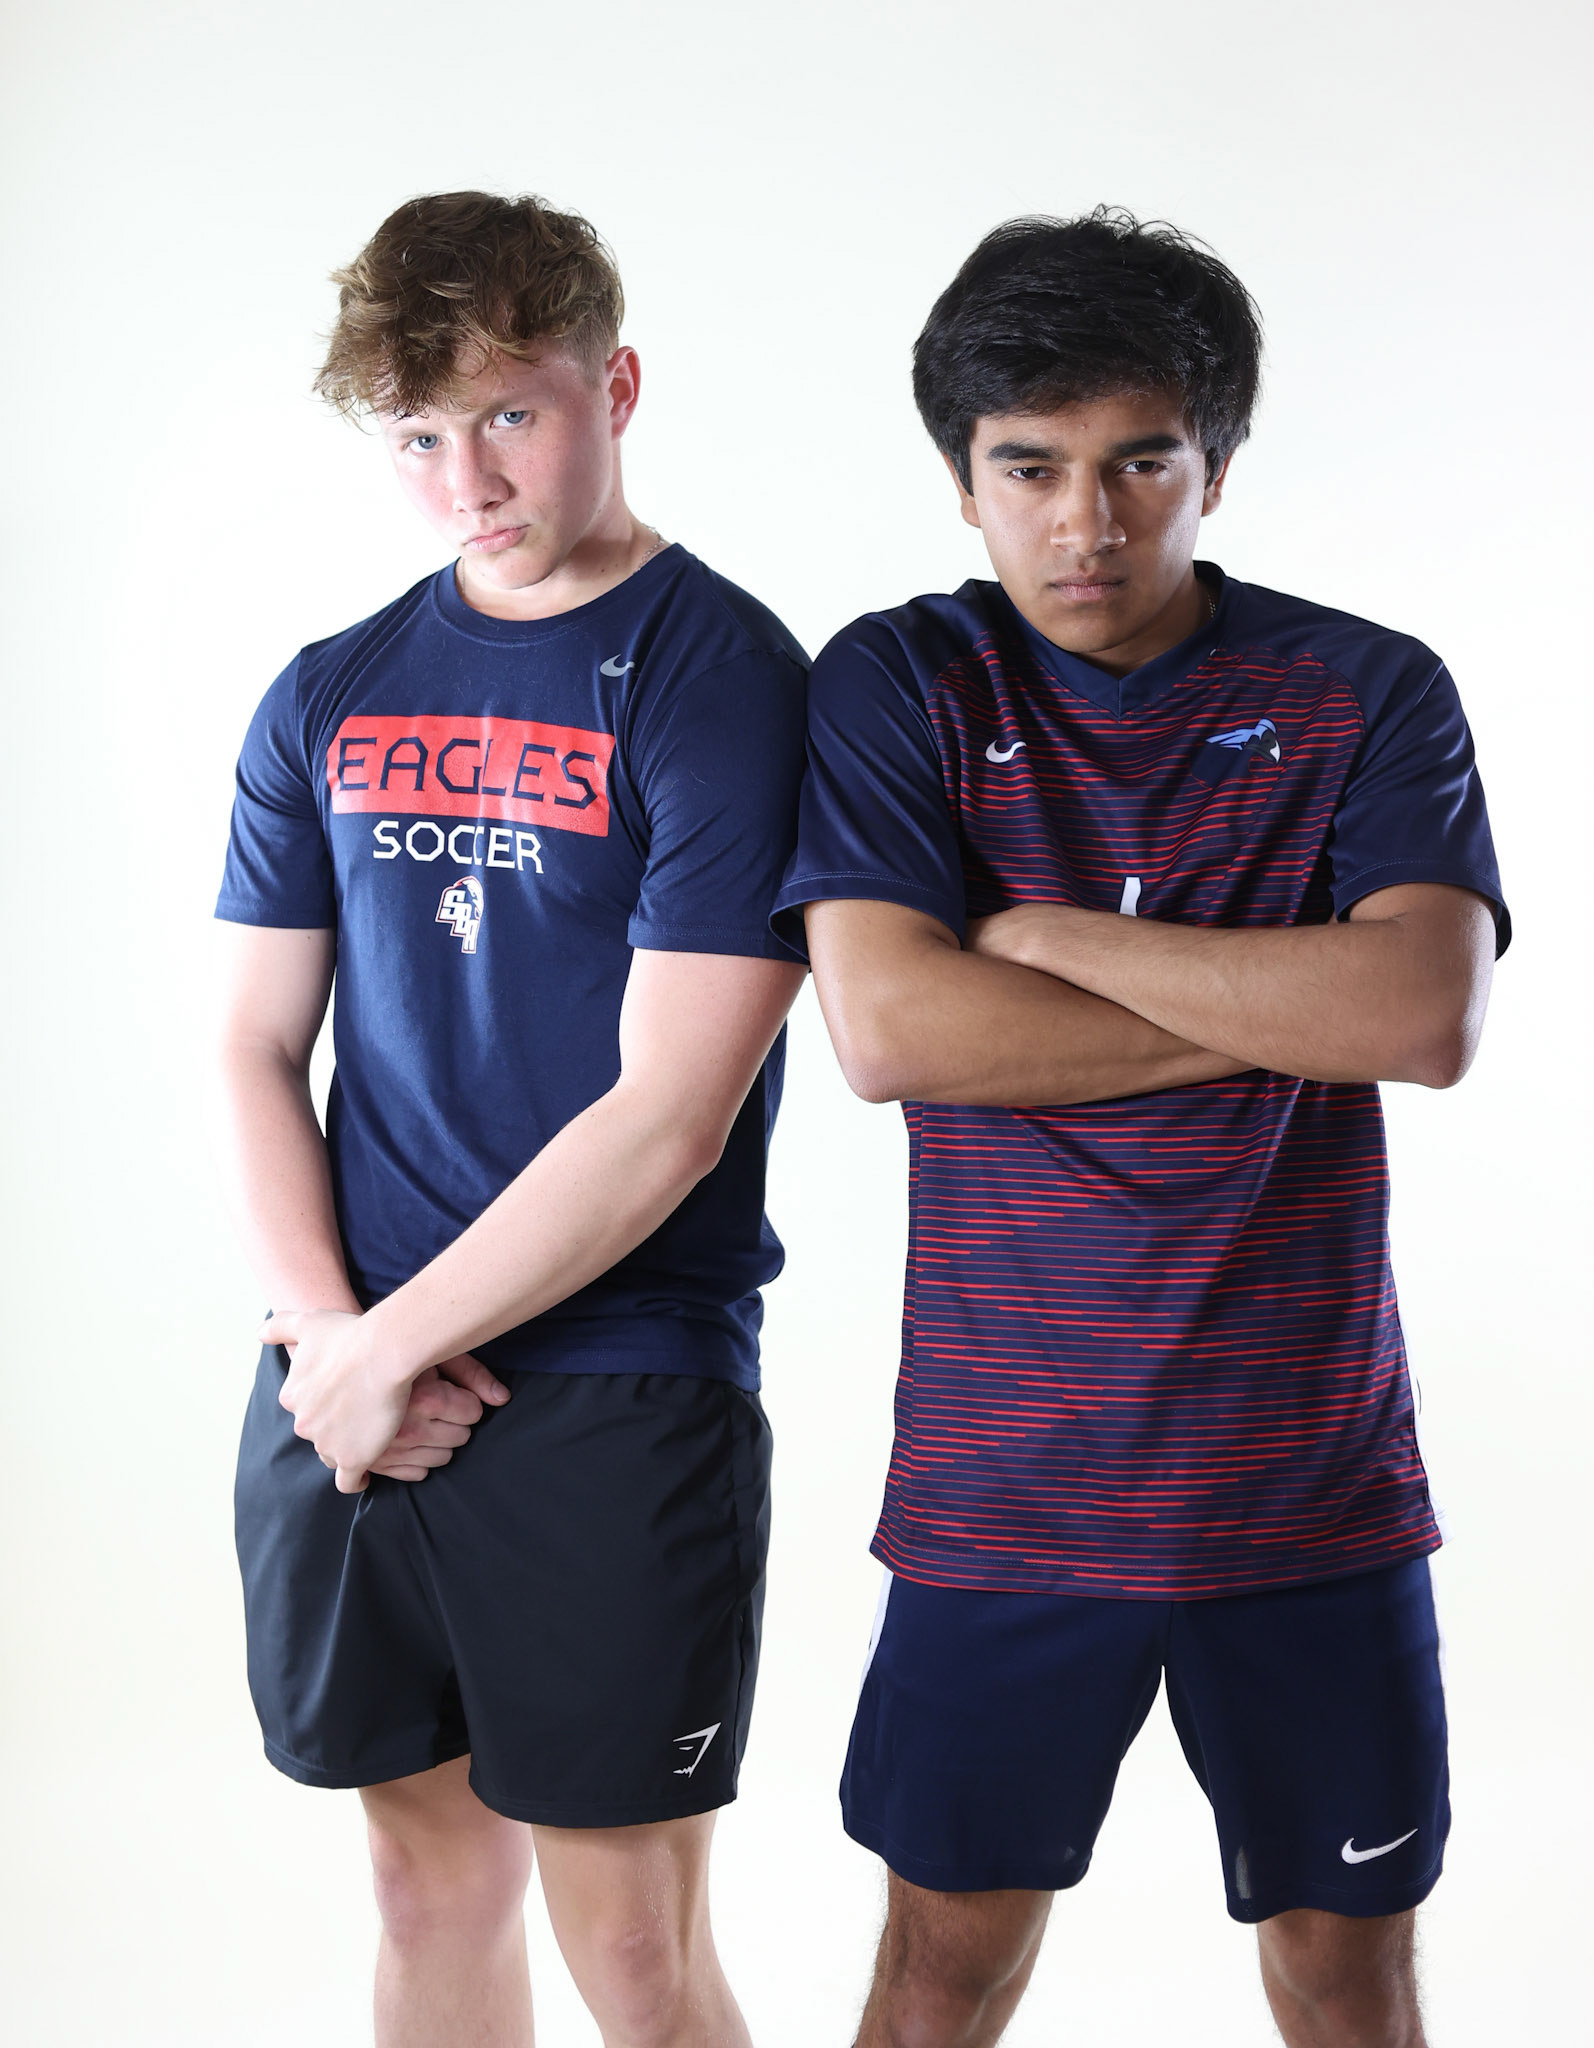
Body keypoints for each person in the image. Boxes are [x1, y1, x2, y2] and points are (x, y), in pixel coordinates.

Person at [774, 208, 1506, 2048]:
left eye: (1138, 464)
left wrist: (1049, 941)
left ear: (1215, 468)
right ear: (962, 483)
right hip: (1005, 1488)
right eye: (1028, 468)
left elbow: (1417, 1017)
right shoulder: (899, 682)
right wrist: (1277, 1005)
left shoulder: (1363, 689)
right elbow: (889, 1030)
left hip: (1308, 1485)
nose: (1084, 524)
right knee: (940, 1971)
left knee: (1345, 1974)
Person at [211, 189, 807, 2048]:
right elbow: (252, 1046)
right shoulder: (330, 689)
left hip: (614, 1379)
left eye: (508, 415)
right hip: (346, 1384)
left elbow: (671, 1113)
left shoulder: (725, 681)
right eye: (416, 436)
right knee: (424, 1890)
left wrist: (387, 1349)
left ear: (611, 387)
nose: (464, 480)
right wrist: (332, 1344)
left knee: (630, 1948)